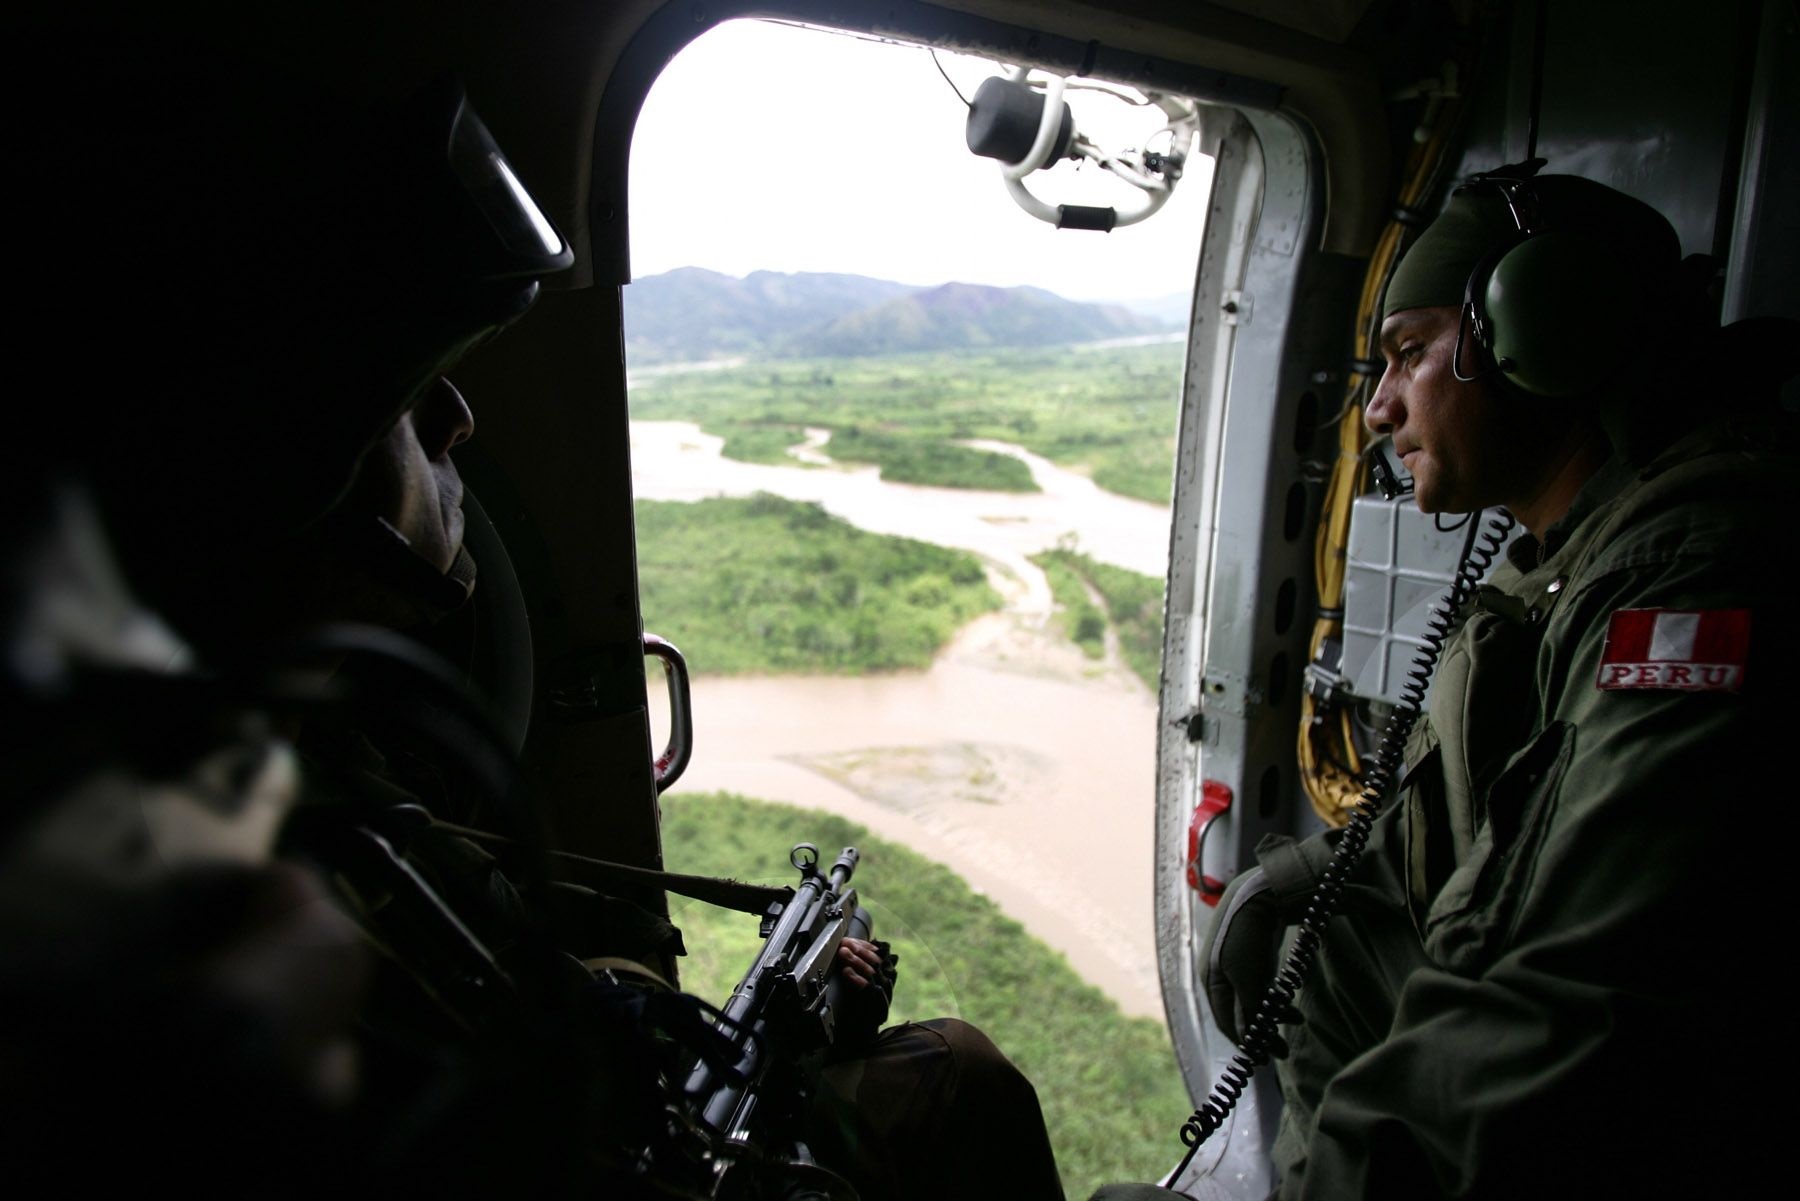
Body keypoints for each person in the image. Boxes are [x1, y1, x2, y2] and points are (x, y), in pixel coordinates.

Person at [1112, 170, 1798, 1200]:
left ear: (1542, 332)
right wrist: (1297, 881)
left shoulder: (1696, 570)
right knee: (1318, 930)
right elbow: (1500, 823)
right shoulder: (1568, 554)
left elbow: (1578, 995)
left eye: (1408, 352)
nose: (1380, 408)